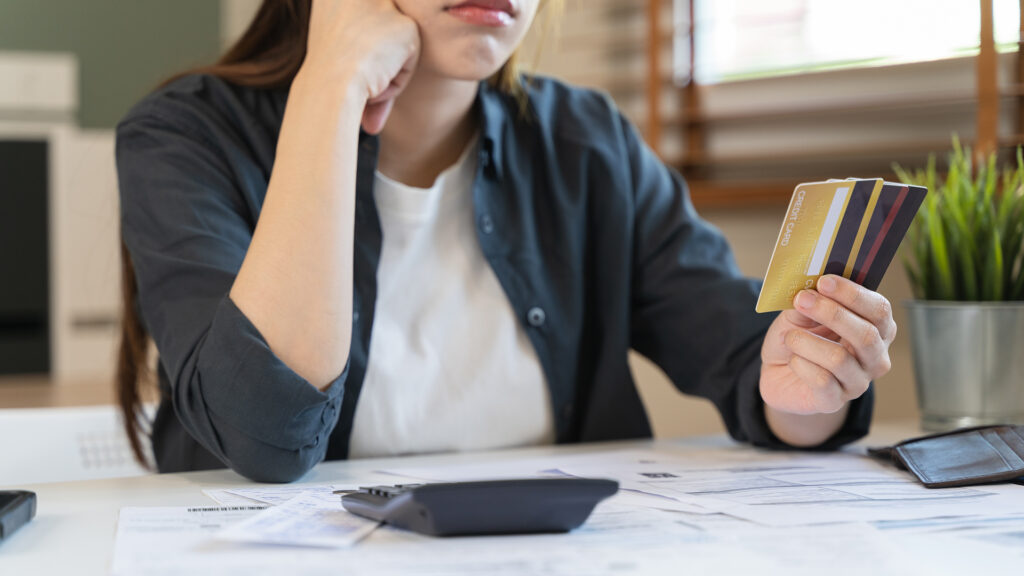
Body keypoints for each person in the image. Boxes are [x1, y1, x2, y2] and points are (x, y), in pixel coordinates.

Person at [115, 0, 895, 483]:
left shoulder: (588, 141)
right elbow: (264, 432)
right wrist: (331, 84)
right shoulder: (185, 137)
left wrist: (809, 391)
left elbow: (752, 366)